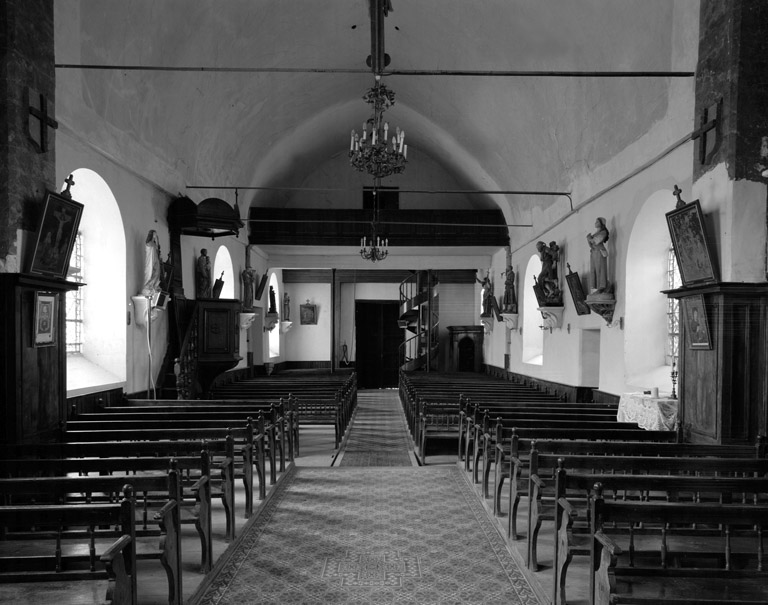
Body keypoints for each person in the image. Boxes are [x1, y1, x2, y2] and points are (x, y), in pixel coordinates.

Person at [587, 217, 610, 293]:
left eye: (597, 222)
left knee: (600, 269)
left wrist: (590, 239)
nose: (595, 223)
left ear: (601, 223)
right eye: (595, 221)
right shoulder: (595, 234)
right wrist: (589, 240)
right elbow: (591, 244)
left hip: (599, 252)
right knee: (593, 270)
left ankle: (601, 287)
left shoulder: (603, 232)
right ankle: (595, 288)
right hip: (593, 252)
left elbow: (596, 241)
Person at [140, 230, 162, 298]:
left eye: (156, 235)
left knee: (157, 272)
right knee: (150, 272)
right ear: (151, 235)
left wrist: (157, 242)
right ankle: (148, 286)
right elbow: (148, 245)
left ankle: (154, 285)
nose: (155, 236)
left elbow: (158, 250)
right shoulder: (149, 243)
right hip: (151, 261)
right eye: (154, 235)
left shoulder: (154, 244)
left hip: (155, 260)